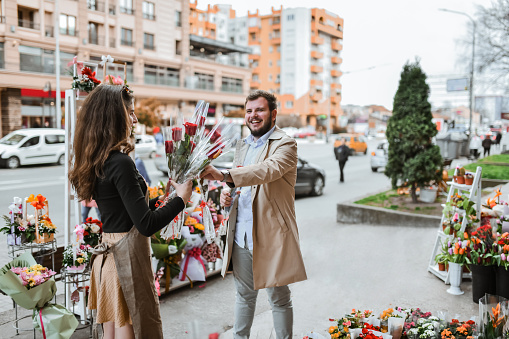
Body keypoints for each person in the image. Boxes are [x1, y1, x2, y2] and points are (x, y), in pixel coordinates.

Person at [68, 85, 192, 339]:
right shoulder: (121, 162)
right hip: (125, 262)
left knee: (110, 334)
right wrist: (181, 199)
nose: (135, 119)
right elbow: (145, 224)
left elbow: (124, 209)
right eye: (131, 113)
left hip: (109, 259)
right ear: (115, 116)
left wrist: (163, 199)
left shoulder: (100, 158)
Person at [200, 90, 307, 339]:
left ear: (273, 113)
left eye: (259, 110)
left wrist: (226, 176)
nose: (253, 115)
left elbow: (267, 171)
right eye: (249, 111)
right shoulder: (243, 145)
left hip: (271, 235)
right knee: (244, 295)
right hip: (241, 235)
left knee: (278, 297)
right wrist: (228, 195)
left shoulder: (286, 144)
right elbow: (242, 185)